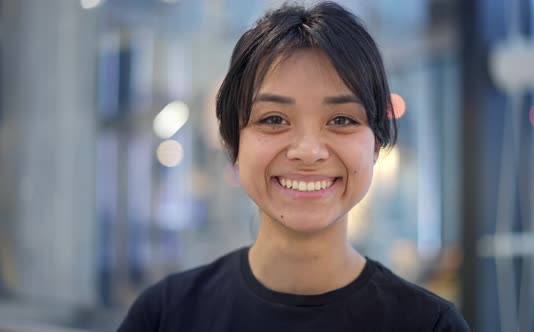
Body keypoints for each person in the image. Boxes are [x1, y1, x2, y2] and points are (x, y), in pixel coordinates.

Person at [118, 2, 470, 331]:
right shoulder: (166, 315)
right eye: (273, 119)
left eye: (342, 119)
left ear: (376, 143)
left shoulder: (429, 324)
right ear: (232, 142)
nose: (308, 151)